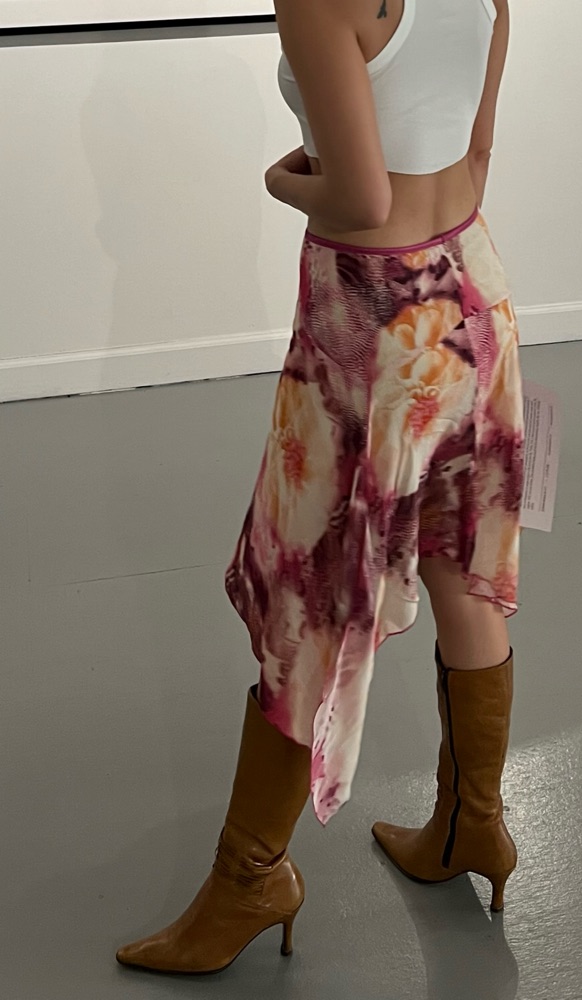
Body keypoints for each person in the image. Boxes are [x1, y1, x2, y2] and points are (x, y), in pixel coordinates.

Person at [116, 0, 522, 975]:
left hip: (373, 327)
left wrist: (279, 179)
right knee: (461, 566)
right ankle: (471, 824)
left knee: (310, 604)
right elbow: (472, 163)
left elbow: (361, 200)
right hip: (472, 293)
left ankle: (250, 877)